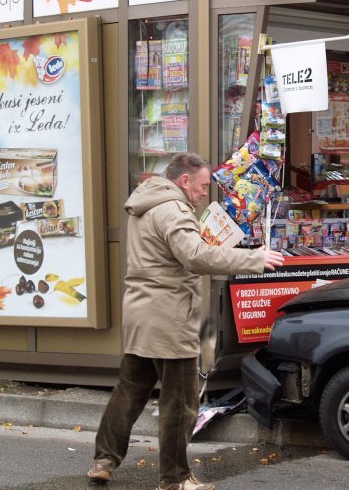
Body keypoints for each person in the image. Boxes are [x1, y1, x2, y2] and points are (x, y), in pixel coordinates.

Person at [87, 152, 284, 490]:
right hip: (170, 318)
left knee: (129, 392)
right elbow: (194, 256)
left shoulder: (145, 204)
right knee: (180, 402)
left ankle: (104, 460)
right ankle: (175, 479)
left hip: (140, 314)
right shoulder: (174, 210)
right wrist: (253, 258)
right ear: (184, 181)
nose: (203, 194)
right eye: (202, 186)